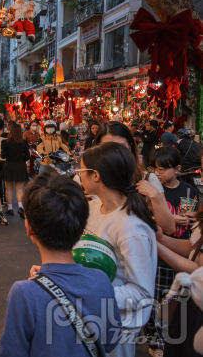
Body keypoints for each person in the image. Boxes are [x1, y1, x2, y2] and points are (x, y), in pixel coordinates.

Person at [1, 173, 121, 357]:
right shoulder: (101, 281)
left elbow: (12, 352)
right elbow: (111, 341)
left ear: (29, 227)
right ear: (82, 228)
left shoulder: (24, 293)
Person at [78, 142, 158, 357]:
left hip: (118, 325)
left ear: (95, 175)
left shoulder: (130, 227)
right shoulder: (94, 207)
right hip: (94, 316)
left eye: (80, 171)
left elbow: (141, 292)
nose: (78, 176)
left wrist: (86, 292)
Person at [144, 146, 197, 355]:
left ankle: (170, 340)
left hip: (182, 250)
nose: (157, 173)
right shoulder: (151, 192)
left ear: (177, 169)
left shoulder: (188, 190)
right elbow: (147, 216)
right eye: (154, 169)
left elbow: (193, 212)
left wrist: (193, 218)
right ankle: (154, 343)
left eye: (162, 169)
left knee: (174, 300)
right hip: (159, 253)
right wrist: (170, 219)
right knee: (154, 299)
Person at [92, 122, 176, 235]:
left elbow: (169, 228)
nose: (116, 153)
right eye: (108, 148)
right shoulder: (90, 180)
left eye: (121, 147)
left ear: (130, 147)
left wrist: (155, 196)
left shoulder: (147, 179)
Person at [1, 123, 29, 219]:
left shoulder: (5, 142)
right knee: (19, 189)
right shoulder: (24, 142)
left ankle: (10, 209)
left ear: (10, 131)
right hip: (20, 165)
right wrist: (20, 159)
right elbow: (27, 156)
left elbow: (3, 156)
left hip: (9, 165)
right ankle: (20, 207)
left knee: (8, 189)